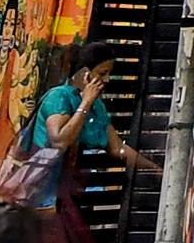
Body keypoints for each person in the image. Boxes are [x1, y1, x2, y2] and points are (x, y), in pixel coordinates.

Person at [26, 39, 160, 242]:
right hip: (39, 189)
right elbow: (59, 141)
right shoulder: (59, 97)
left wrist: (153, 169)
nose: (107, 80)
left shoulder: (97, 107)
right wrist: (85, 102)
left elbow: (117, 148)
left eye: (109, 74)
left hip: (62, 193)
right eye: (102, 73)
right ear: (84, 74)